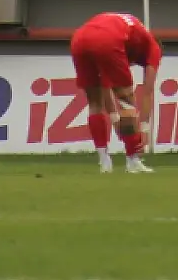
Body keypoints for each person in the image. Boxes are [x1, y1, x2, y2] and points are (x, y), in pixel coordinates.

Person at [68, 11, 160, 174]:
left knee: (94, 103)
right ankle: (132, 160)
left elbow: (104, 82)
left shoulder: (129, 32)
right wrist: (144, 130)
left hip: (79, 38)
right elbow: (147, 91)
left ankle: (104, 162)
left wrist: (115, 118)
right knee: (127, 100)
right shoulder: (153, 48)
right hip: (107, 39)